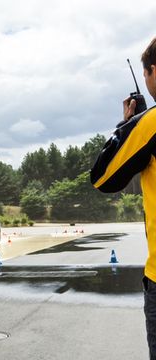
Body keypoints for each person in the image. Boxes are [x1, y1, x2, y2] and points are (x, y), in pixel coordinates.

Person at [90, 37, 156, 359]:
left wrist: (128, 124)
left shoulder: (151, 124)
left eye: (146, 75)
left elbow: (102, 177)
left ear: (153, 72)